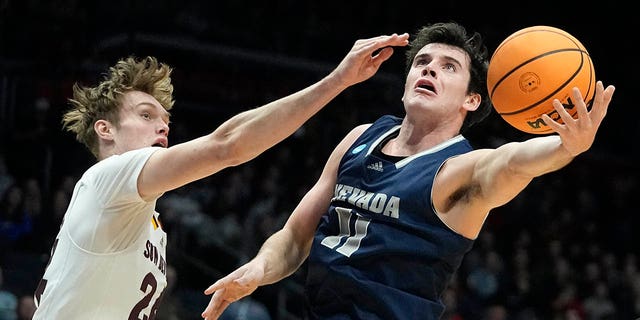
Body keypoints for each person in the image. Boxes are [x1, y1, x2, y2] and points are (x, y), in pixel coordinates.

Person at [201, 21, 616, 320]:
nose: (429, 69)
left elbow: (512, 160)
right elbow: (295, 237)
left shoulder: (459, 171)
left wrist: (567, 146)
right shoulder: (360, 137)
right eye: (421, 62)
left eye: (448, 66)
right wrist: (259, 269)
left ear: (471, 101)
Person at [31, 32, 410, 319]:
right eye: (146, 115)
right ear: (105, 130)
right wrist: (337, 81)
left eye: (166, 121)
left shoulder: (149, 225)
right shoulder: (106, 178)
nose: (163, 128)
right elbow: (227, 145)